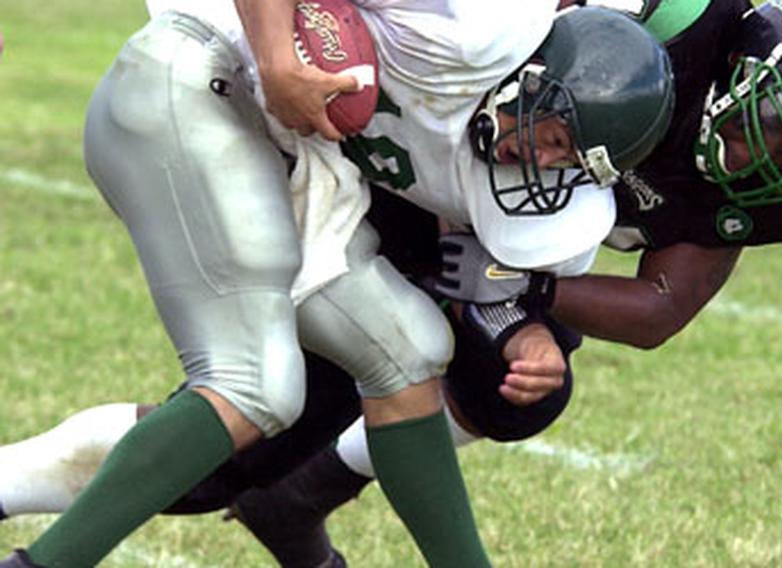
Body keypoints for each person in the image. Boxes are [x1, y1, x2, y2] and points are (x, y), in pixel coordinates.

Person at [0, 1, 675, 567]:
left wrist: (529, 330)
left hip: (301, 169)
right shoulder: (482, 25)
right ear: (537, 78)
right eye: (552, 136)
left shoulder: (513, 161)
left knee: (410, 350)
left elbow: (495, 267)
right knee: (257, 386)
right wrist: (274, 53)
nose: (540, 160)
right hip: (199, 75)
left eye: (566, 157)